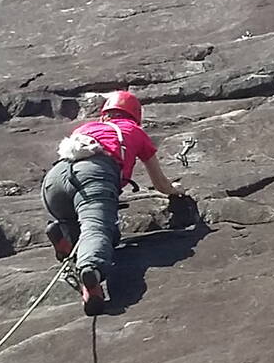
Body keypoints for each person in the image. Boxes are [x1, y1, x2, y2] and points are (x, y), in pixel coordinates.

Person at [41, 90, 191, 315]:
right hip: (93, 176)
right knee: (98, 230)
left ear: (105, 114)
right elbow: (159, 182)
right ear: (135, 115)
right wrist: (174, 190)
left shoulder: (85, 129)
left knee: (90, 224)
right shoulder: (135, 132)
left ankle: (64, 233)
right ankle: (91, 274)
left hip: (55, 180)